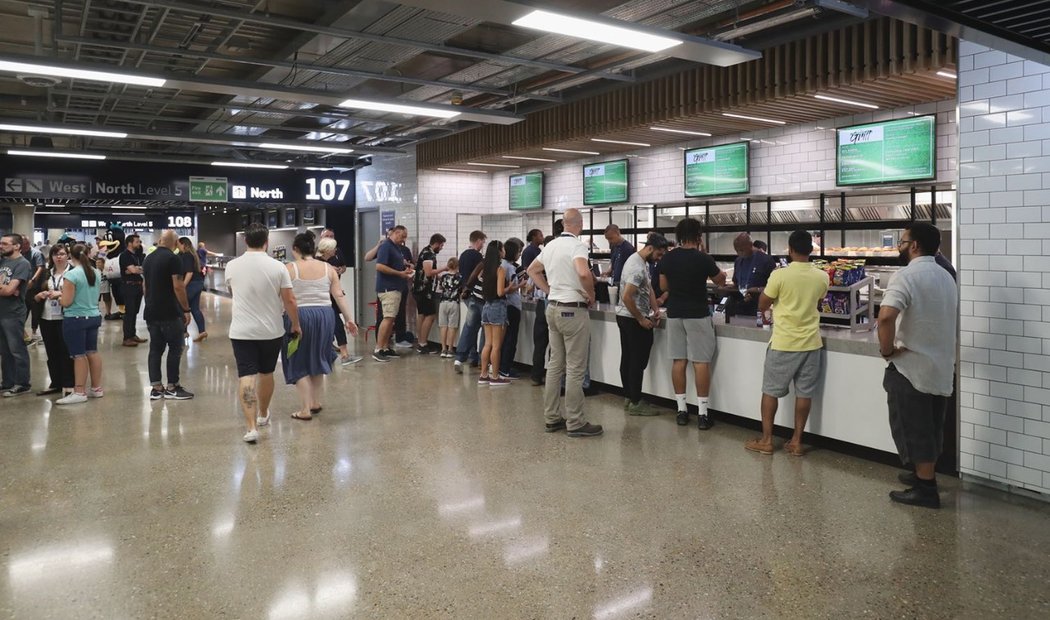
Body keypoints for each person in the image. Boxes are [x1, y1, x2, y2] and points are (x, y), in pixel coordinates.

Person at [878, 222, 958, 509]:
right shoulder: (947, 275)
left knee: (913, 426)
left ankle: (926, 489)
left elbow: (886, 317)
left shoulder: (906, 275)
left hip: (911, 366)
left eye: (902, 241)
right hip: (941, 365)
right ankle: (922, 475)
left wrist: (887, 350)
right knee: (932, 425)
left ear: (913, 246)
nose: (899, 246)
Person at [744, 230, 829, 456]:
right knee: (804, 393)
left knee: (770, 391)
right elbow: (819, 303)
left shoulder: (779, 275)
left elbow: (763, 304)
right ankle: (797, 442)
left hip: (784, 342)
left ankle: (767, 441)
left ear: (790, 250)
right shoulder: (822, 276)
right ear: (811, 250)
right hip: (811, 343)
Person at [526, 209, 603, 438]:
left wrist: (550, 291)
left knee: (555, 365)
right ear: (579, 225)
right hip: (573, 311)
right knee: (575, 369)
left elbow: (532, 270)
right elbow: (583, 272)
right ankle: (576, 422)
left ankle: (551, 418)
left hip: (553, 309)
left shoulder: (550, 246)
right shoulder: (578, 246)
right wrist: (590, 294)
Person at [225, 223, 301, 443]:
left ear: (245, 241)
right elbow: (290, 300)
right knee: (266, 373)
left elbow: (233, 291)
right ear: (267, 241)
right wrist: (295, 324)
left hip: (241, 331)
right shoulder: (278, 267)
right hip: (271, 330)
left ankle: (250, 428)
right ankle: (262, 415)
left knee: (246, 376)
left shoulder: (232, 266)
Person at [282, 233, 359, 420]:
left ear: (295, 250)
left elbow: (285, 298)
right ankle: (315, 402)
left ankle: (305, 409)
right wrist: (349, 319)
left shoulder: (290, 268)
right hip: (326, 315)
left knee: (297, 360)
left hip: (300, 315)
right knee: (318, 357)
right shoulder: (328, 268)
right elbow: (339, 295)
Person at [659, 218, 727, 428]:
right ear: (698, 237)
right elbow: (720, 281)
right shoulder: (702, 258)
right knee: (700, 363)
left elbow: (663, 285)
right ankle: (703, 414)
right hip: (697, 314)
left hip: (675, 313)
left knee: (678, 362)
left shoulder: (668, 258)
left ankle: (681, 411)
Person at [616, 234, 669, 415]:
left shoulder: (639, 261)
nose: (660, 259)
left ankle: (630, 397)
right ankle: (636, 402)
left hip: (626, 317)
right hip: (632, 319)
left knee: (629, 358)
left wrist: (655, 308)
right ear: (650, 248)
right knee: (636, 362)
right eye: (659, 255)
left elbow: (648, 287)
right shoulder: (636, 267)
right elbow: (626, 296)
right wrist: (641, 318)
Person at [143, 231, 194, 401]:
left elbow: (145, 286)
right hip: (169, 312)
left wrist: (149, 302)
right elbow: (178, 286)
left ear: (160, 241)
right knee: (175, 347)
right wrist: (186, 309)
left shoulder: (148, 258)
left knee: (155, 349)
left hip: (151, 311)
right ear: (175, 242)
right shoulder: (173, 259)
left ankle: (156, 388)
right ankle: (172, 386)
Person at [56, 244, 103, 405]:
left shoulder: (72, 275)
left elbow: (67, 302)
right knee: (92, 351)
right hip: (94, 316)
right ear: (89, 254)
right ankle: (96, 388)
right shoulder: (96, 272)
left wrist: (57, 296)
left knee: (78, 354)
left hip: (75, 318)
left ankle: (79, 390)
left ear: (70, 255)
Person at [34, 245, 75, 397]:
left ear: (67, 256)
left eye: (62, 254)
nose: (59, 257)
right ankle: (55, 382)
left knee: (66, 351)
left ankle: (68, 383)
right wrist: (39, 295)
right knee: (52, 351)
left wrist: (60, 293)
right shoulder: (46, 273)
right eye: (55, 254)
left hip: (66, 317)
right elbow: (35, 293)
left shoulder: (73, 272)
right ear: (51, 257)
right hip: (47, 316)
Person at [372, 225, 413, 362]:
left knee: (391, 319)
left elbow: (395, 264)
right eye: (402, 236)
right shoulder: (386, 246)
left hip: (396, 287)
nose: (404, 239)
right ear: (396, 233)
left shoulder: (396, 248)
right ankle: (378, 349)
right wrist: (399, 273)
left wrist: (405, 269)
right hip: (388, 288)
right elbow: (379, 266)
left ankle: (385, 347)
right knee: (388, 318)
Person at [318, 237, 361, 365]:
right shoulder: (320, 264)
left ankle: (337, 353)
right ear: (327, 250)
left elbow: (342, 266)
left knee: (334, 324)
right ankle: (343, 355)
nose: (335, 251)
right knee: (335, 324)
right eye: (333, 249)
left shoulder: (326, 263)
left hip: (329, 297)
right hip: (324, 300)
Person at [0, 234, 33, 397]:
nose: (1, 246)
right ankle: (8, 381)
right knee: (4, 350)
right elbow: (6, 289)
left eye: (5, 244)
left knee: (16, 349)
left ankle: (22, 383)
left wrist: (8, 289)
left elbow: (9, 290)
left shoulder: (22, 264)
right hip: (2, 310)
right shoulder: (3, 261)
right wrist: (6, 288)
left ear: (17, 246)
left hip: (13, 313)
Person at [454, 230, 487, 373]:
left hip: (467, 294)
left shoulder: (463, 255)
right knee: (483, 327)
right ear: (478, 241)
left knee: (470, 327)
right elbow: (478, 276)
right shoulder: (478, 256)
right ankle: (481, 359)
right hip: (477, 295)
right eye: (483, 242)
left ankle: (465, 357)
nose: (483, 245)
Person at [413, 233, 448, 354]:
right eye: (441, 245)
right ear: (437, 243)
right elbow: (428, 272)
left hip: (420, 290)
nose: (442, 248)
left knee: (422, 315)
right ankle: (423, 343)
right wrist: (444, 268)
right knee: (430, 316)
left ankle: (420, 342)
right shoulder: (428, 254)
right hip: (424, 291)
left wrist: (437, 276)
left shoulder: (426, 251)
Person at [528, 234, 555, 386]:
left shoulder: (539, 260)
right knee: (555, 344)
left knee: (539, 342)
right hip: (553, 303)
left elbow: (530, 284)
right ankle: (552, 378)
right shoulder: (556, 261)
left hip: (540, 304)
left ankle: (536, 376)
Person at [729, 232, 776, 317]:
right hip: (740, 307)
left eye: (741, 250)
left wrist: (757, 290)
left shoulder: (766, 260)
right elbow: (736, 283)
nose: (739, 253)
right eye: (737, 250)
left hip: (759, 308)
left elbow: (775, 287)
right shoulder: (738, 261)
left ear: (750, 245)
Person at [499, 238, 524, 380]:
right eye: (518, 252)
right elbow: (504, 289)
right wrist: (520, 285)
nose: (519, 254)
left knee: (507, 338)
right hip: (511, 305)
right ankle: (505, 368)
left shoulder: (506, 266)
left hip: (510, 305)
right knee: (510, 338)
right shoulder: (507, 267)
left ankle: (504, 366)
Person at [177, 236, 208, 343]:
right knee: (195, 309)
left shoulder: (187, 255)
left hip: (191, 284)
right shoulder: (194, 255)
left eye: (179, 244)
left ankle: (184, 332)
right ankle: (202, 331)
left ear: (183, 245)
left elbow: (189, 272)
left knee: (183, 307)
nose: (178, 247)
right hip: (198, 283)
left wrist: (183, 286)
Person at [120, 234, 147, 347]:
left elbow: (139, 269)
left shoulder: (137, 255)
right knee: (129, 312)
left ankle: (132, 334)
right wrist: (135, 269)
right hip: (129, 286)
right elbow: (133, 270)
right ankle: (127, 338)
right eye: (137, 241)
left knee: (135, 312)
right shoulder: (125, 255)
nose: (139, 244)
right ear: (130, 243)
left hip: (138, 286)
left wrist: (136, 269)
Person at [437, 257, 461, 358]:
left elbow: (440, 288)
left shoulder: (443, 277)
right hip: (454, 303)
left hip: (443, 303)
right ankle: (450, 349)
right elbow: (462, 290)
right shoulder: (460, 277)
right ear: (457, 266)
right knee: (452, 327)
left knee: (443, 326)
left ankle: (443, 349)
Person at [23, 237, 46, 345]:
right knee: (23, 310)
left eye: (27, 243)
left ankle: (34, 332)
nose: (25, 245)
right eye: (23, 243)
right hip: (23, 288)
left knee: (36, 310)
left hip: (36, 287)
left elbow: (40, 267)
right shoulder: (19, 254)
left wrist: (33, 279)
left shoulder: (36, 253)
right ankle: (23, 333)